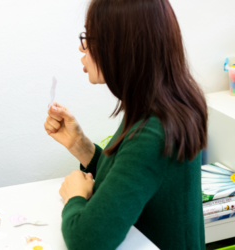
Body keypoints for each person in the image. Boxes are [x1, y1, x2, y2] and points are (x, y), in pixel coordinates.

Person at [44, 0, 207, 249]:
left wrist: (75, 197)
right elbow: (131, 179)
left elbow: (87, 240)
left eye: (88, 37)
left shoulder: (153, 131)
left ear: (119, 45)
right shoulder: (158, 108)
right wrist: (80, 145)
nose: (82, 47)